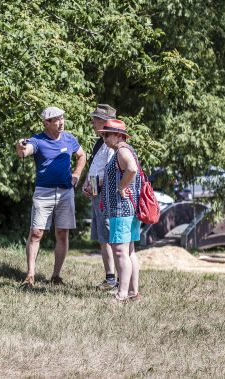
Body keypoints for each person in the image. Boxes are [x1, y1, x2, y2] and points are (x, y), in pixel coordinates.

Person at [15, 106, 86, 287]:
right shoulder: (37, 140)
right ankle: (30, 275)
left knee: (62, 233)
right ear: (46, 123)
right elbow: (25, 151)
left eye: (62, 118)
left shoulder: (69, 139)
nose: (61, 123)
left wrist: (77, 174)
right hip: (43, 193)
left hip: (65, 193)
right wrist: (19, 146)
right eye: (56, 120)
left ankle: (56, 276)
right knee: (36, 233)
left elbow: (81, 155)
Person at [100, 119, 141, 302]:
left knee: (120, 251)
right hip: (129, 209)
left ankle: (121, 294)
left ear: (118, 135)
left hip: (121, 209)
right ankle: (132, 292)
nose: (104, 138)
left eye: (106, 135)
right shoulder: (125, 150)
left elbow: (131, 169)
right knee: (129, 251)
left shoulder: (122, 151)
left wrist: (121, 187)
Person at [82, 104, 117, 290]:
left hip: (106, 196)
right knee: (102, 237)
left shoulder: (112, 143)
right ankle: (110, 277)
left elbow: (109, 172)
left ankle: (115, 279)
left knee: (108, 236)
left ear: (105, 122)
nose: (92, 122)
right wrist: (87, 185)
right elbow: (95, 168)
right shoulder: (99, 142)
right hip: (97, 193)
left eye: (96, 119)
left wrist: (94, 186)